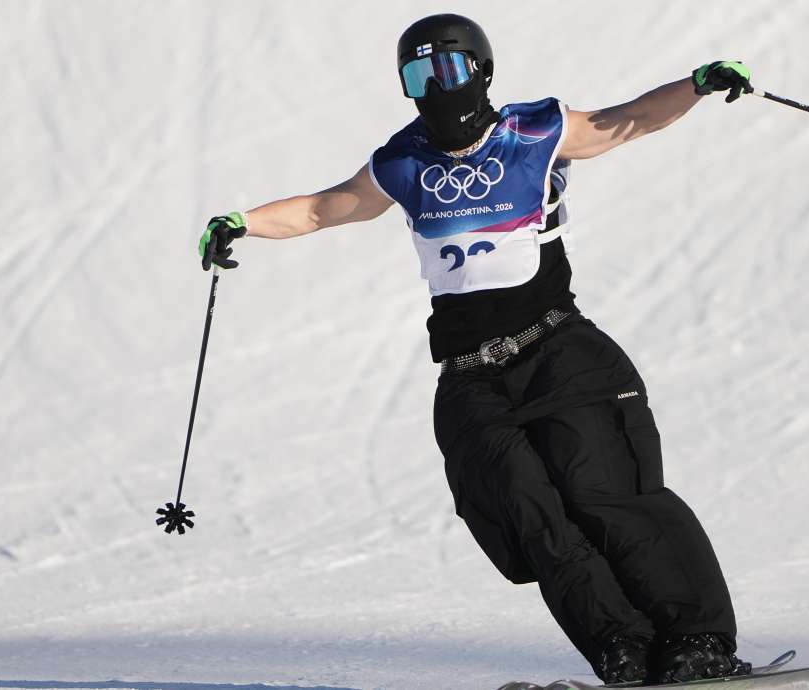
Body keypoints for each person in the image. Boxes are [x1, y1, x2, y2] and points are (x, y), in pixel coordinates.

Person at [197, 13, 756, 685]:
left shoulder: (535, 132)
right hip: (471, 382)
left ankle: (698, 642)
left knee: (605, 495)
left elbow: (626, 120)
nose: (437, 87)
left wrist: (697, 85)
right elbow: (323, 208)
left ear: (481, 71)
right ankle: (623, 648)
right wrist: (243, 223)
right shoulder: (403, 163)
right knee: (532, 520)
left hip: (559, 353)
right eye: (419, 75)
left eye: (449, 69)